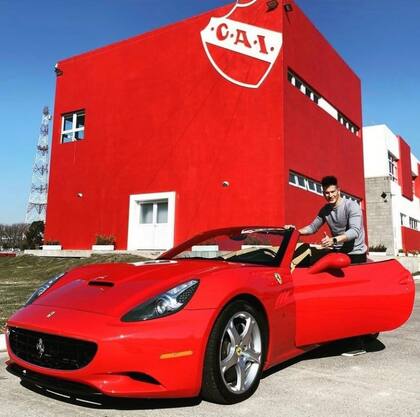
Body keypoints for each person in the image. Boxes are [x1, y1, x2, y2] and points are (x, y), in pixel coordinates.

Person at [297, 175, 367, 264]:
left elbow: (354, 231)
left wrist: (333, 240)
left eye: (333, 192)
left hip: (356, 254)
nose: (330, 195)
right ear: (323, 193)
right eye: (327, 193)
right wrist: (295, 232)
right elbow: (312, 227)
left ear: (338, 190)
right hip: (338, 252)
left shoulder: (352, 206)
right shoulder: (325, 210)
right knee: (306, 261)